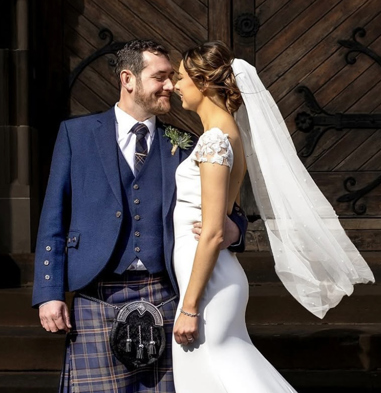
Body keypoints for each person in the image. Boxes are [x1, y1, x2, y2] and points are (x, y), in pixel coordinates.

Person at [31, 39, 247, 392]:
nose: (171, 87)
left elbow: (230, 213)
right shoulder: (77, 135)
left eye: (172, 78)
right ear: (128, 79)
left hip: (165, 294)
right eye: (160, 77)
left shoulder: (188, 143)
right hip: (96, 293)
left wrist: (233, 231)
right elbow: (53, 216)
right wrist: (49, 291)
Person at [171, 41, 374, 392]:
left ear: (203, 83)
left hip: (208, 286)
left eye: (181, 77)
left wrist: (189, 306)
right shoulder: (225, 134)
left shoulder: (214, 140)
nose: (175, 86)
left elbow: (214, 231)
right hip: (211, 280)